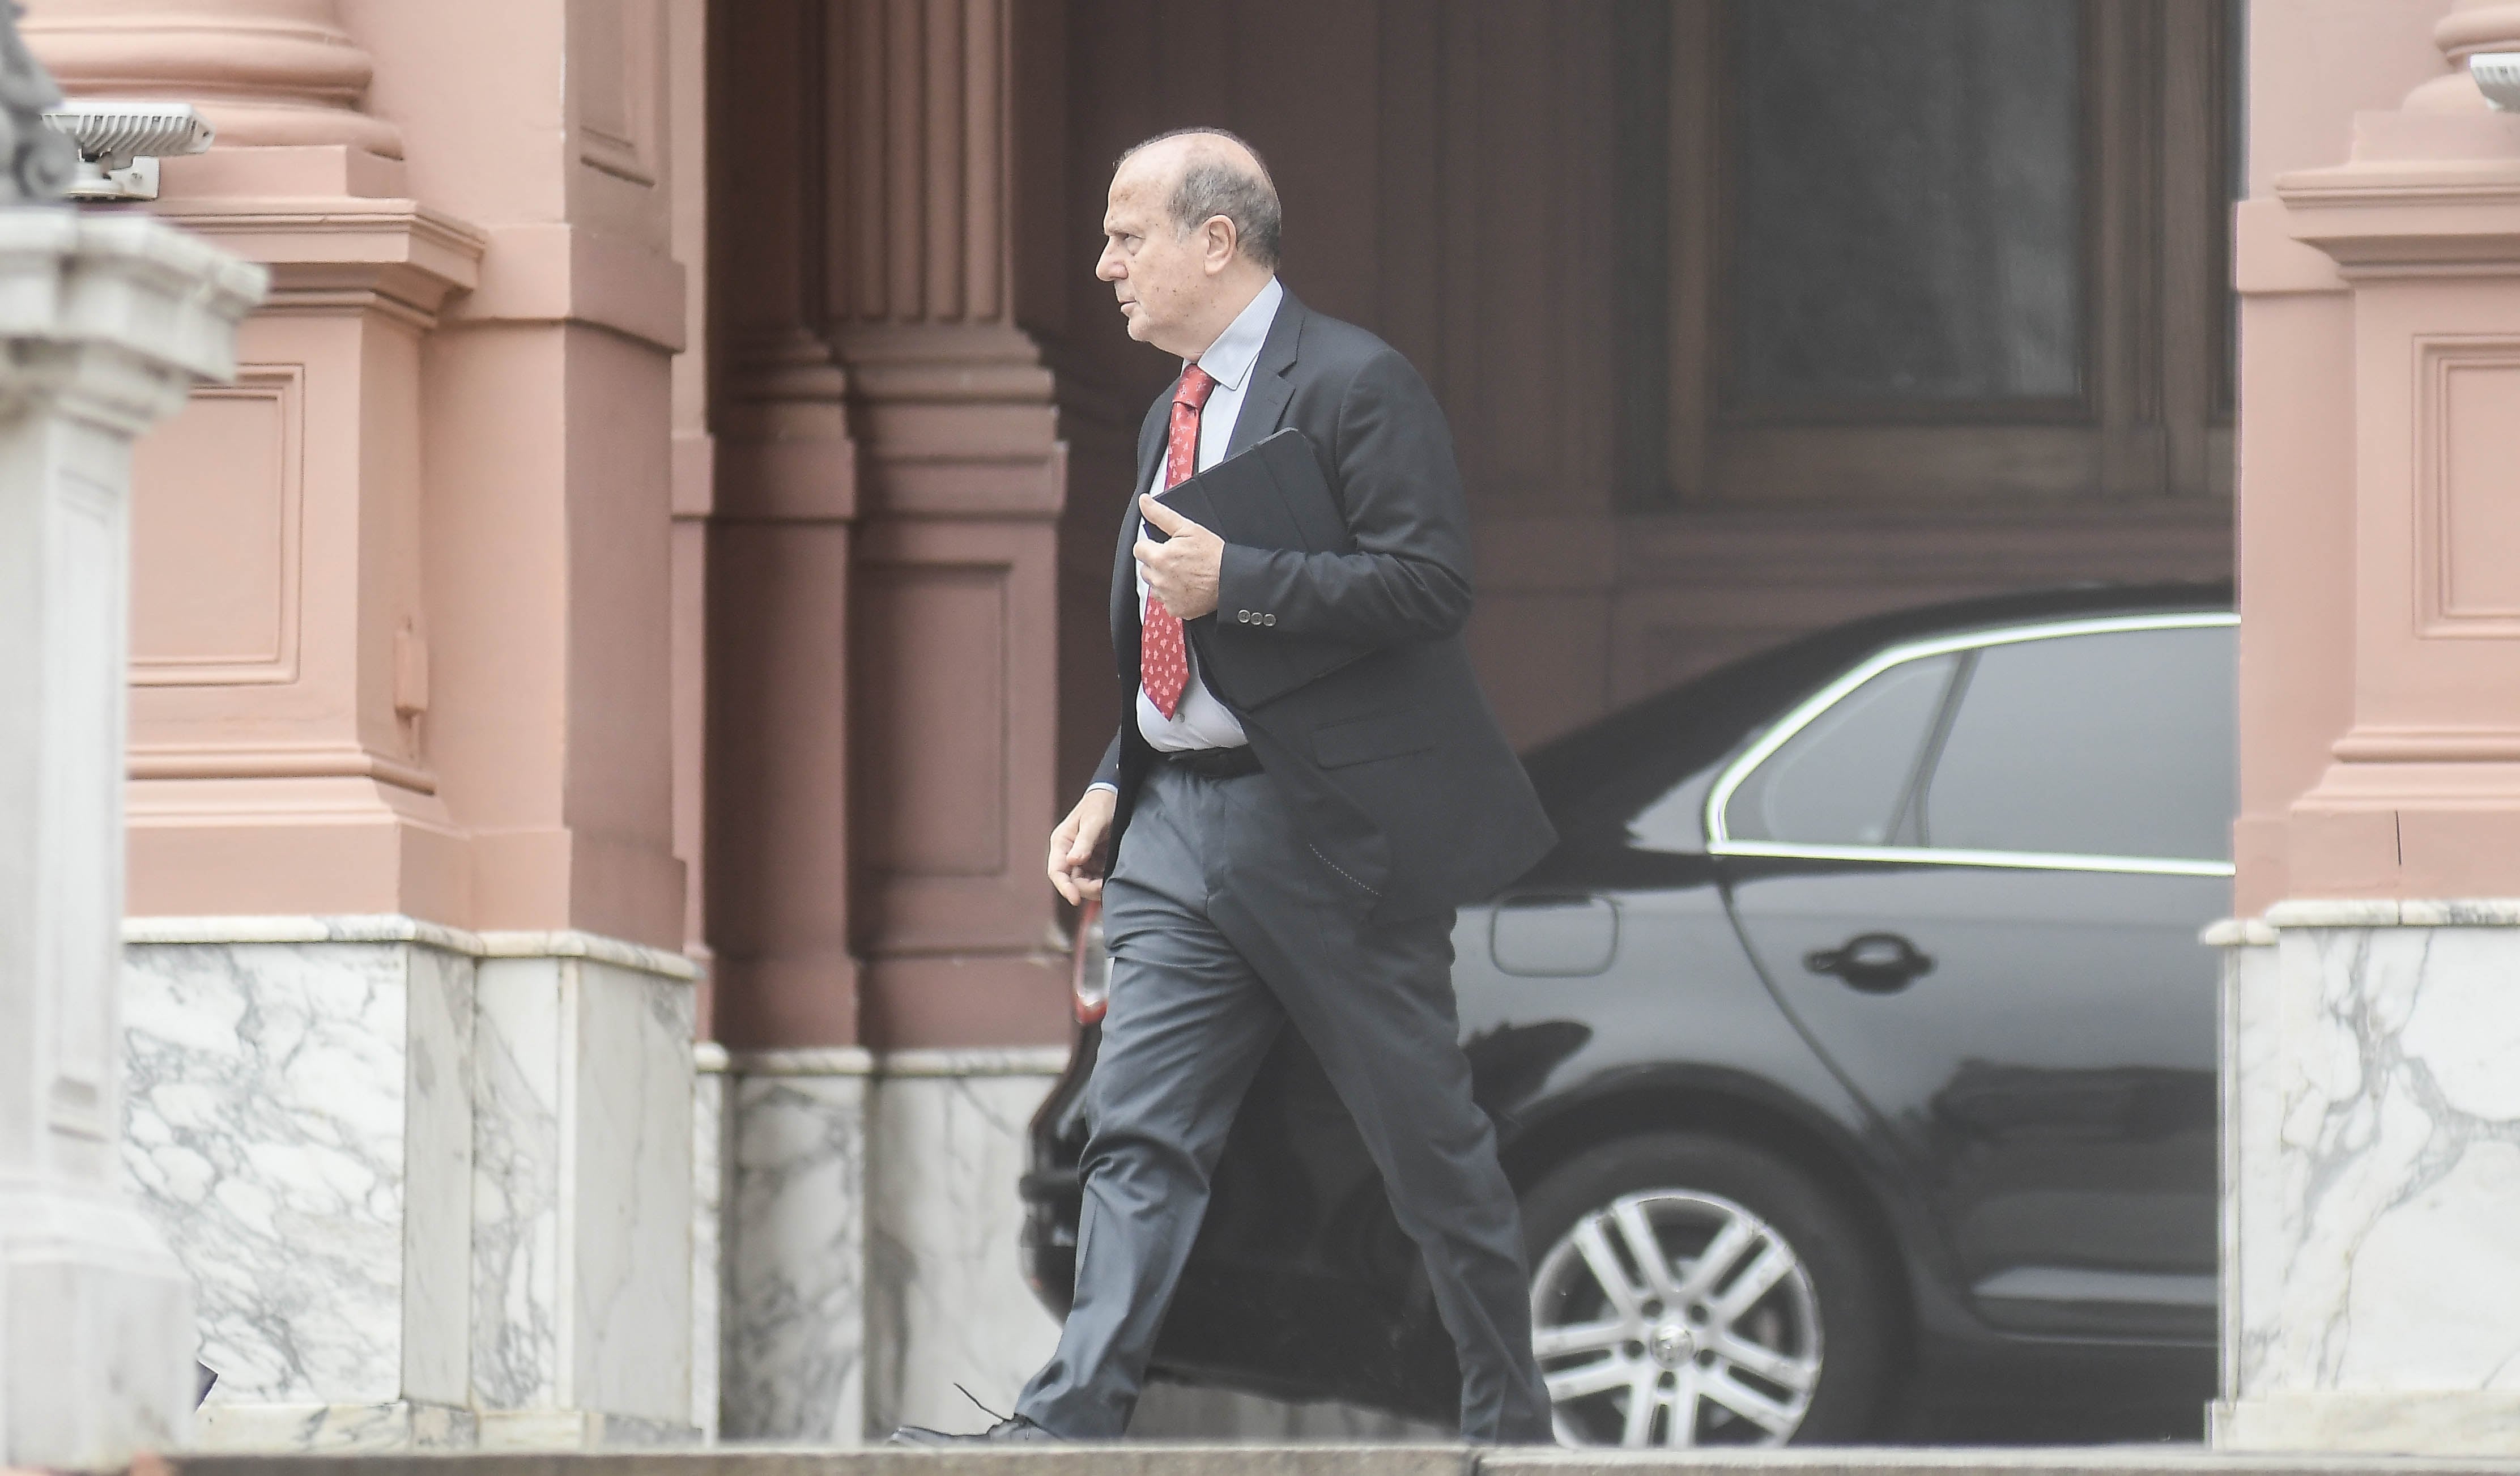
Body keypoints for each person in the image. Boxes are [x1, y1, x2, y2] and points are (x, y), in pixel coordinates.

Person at [891, 127, 1558, 1447]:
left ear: (1217, 238)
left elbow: (1428, 588)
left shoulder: (1359, 383)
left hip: (1328, 840)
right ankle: (1069, 1422)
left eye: (1126, 237)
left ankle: (1512, 1421)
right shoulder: (1166, 409)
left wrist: (1238, 582)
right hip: (1176, 835)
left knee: (1426, 1151)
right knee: (1135, 1140)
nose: (1103, 266)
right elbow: (1167, 646)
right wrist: (1110, 776)